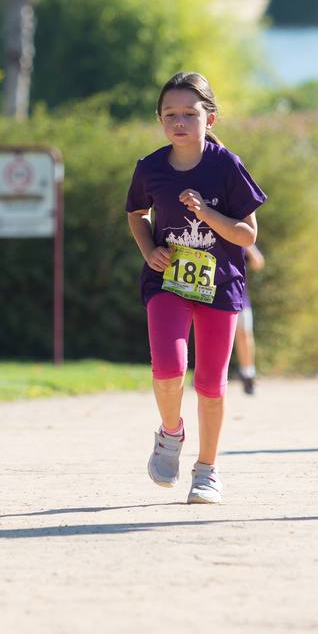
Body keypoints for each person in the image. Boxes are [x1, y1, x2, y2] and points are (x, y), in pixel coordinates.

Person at [125, 72, 267, 504]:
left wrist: (205, 213)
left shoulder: (226, 166)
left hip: (220, 285)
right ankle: (171, 434)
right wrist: (149, 249)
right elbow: (136, 213)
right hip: (167, 281)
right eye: (170, 114)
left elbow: (247, 235)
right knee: (168, 366)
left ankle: (207, 470)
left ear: (211, 117)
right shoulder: (150, 167)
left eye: (190, 113)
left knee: (210, 383)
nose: (180, 122)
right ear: (160, 120)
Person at [233, 243, 265, 395]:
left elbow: (258, 263)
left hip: (240, 297)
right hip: (212, 295)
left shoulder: (241, 237)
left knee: (245, 334)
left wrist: (247, 245)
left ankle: (248, 373)